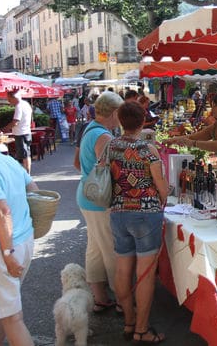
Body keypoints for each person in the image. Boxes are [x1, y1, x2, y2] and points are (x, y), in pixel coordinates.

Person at [108, 102, 168, 344]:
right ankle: (141, 330)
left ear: (121, 121)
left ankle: (129, 321)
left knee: (123, 269)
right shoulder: (148, 149)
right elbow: (161, 185)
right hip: (146, 213)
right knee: (144, 274)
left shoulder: (111, 146)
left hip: (118, 212)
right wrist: (164, 198)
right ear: (143, 121)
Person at [75, 91, 124, 313]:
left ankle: (101, 298)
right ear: (113, 112)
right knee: (111, 249)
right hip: (99, 199)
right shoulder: (103, 136)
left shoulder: (90, 129)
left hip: (87, 195)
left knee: (95, 247)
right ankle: (123, 301)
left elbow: (78, 164)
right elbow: (113, 170)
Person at [0, 123, 39, 346]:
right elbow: (34, 189)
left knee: (12, 317)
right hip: (22, 241)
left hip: (3, 249)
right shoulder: (6, 159)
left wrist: (8, 253)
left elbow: (2, 210)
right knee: (1, 306)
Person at [163, 93, 217, 160]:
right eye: (212, 105)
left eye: (215, 105)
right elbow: (193, 137)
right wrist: (173, 140)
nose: (212, 109)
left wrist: (193, 144)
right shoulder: (216, 125)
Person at [4, 90, 33, 174]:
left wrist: (4, 129)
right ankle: (27, 173)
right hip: (26, 132)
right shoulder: (26, 104)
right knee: (26, 154)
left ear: (14, 97)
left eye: (9, 99)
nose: (8, 101)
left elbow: (15, 121)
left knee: (25, 155)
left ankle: (27, 175)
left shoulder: (19, 106)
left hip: (21, 133)